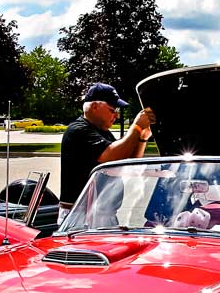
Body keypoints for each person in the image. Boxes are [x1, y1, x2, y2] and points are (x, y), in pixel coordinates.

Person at [58, 82, 156, 224]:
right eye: (112, 110)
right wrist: (137, 126)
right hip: (81, 216)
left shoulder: (102, 132)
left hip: (101, 214)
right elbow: (112, 155)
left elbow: (128, 163)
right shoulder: (78, 130)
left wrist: (142, 137)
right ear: (95, 106)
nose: (116, 115)